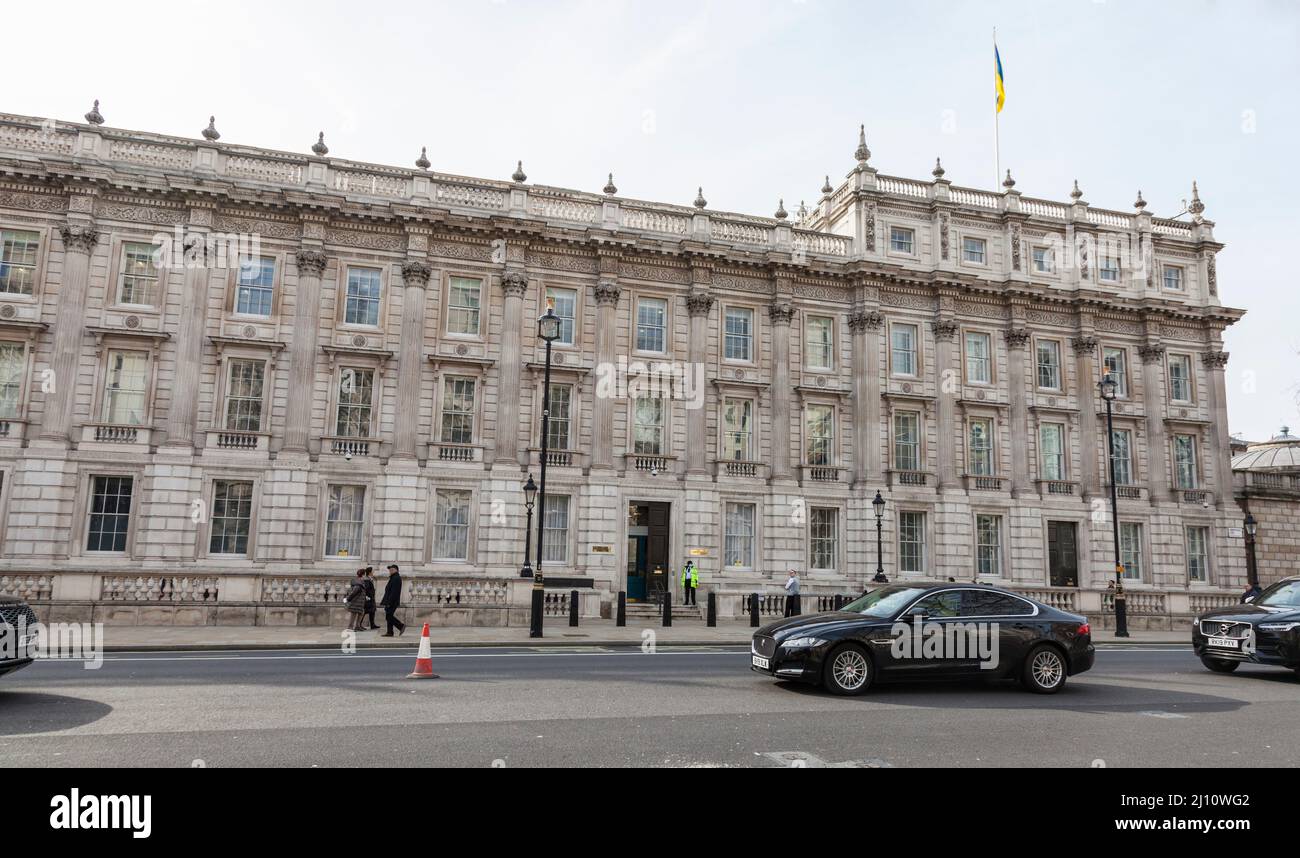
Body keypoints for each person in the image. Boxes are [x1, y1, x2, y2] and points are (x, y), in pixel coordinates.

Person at [380, 564, 407, 637]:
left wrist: (389, 602)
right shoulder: (393, 577)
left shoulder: (396, 578)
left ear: (396, 570)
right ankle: (390, 632)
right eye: (389, 569)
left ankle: (401, 626)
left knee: (389, 616)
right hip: (390, 601)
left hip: (392, 601)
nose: (390, 571)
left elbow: (394, 592)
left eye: (392, 569)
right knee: (389, 616)